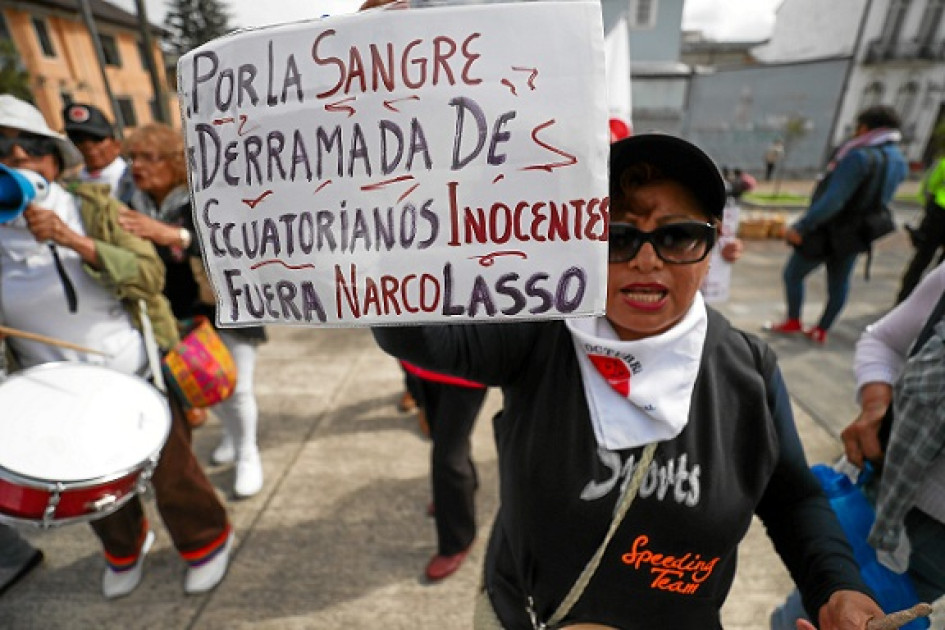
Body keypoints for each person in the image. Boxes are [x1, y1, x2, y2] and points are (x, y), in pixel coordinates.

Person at [374, 133, 882, 629]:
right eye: (618, 236)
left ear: (709, 247)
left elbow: (793, 498)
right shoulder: (541, 335)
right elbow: (418, 335)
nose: (646, 259)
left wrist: (837, 587)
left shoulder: (749, 370)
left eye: (677, 235)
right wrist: (397, 221)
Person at [0, 94, 232, 598]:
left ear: (54, 162)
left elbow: (149, 274)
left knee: (173, 473)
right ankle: (126, 548)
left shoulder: (97, 209)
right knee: (92, 486)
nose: (17, 160)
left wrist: (76, 241)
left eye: (31, 150)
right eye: (3, 152)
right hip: (54, 391)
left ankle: (206, 541)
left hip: (132, 372)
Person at [117, 123, 267, 499]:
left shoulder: (205, 193)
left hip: (225, 307)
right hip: (178, 315)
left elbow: (237, 240)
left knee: (237, 386)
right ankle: (233, 438)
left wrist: (175, 236)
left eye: (148, 157)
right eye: (132, 157)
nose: (138, 166)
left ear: (173, 162)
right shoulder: (131, 202)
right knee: (199, 385)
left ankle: (248, 452)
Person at [841, 261, 945, 604]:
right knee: (802, 611)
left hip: (937, 555)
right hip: (877, 496)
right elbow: (883, 340)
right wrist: (875, 403)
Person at [766, 106, 908, 345]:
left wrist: (802, 226)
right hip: (858, 233)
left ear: (866, 128)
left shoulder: (859, 156)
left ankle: (793, 321)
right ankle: (822, 329)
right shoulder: (898, 159)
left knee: (793, 274)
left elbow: (834, 200)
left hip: (829, 230)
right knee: (839, 282)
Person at [400, 361, 488, 582]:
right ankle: (457, 494)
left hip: (464, 368)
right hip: (417, 362)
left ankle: (457, 541)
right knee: (440, 435)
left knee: (448, 458)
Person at [61, 103, 135, 204]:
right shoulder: (70, 188)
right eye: (78, 139)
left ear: (117, 145)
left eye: (96, 138)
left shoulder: (136, 182)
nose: (88, 146)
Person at [895, 155, 945, 303]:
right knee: (941, 269)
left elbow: (929, 186)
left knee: (921, 259)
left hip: (937, 214)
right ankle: (930, 304)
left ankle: (903, 299)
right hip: (937, 212)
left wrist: (927, 207)